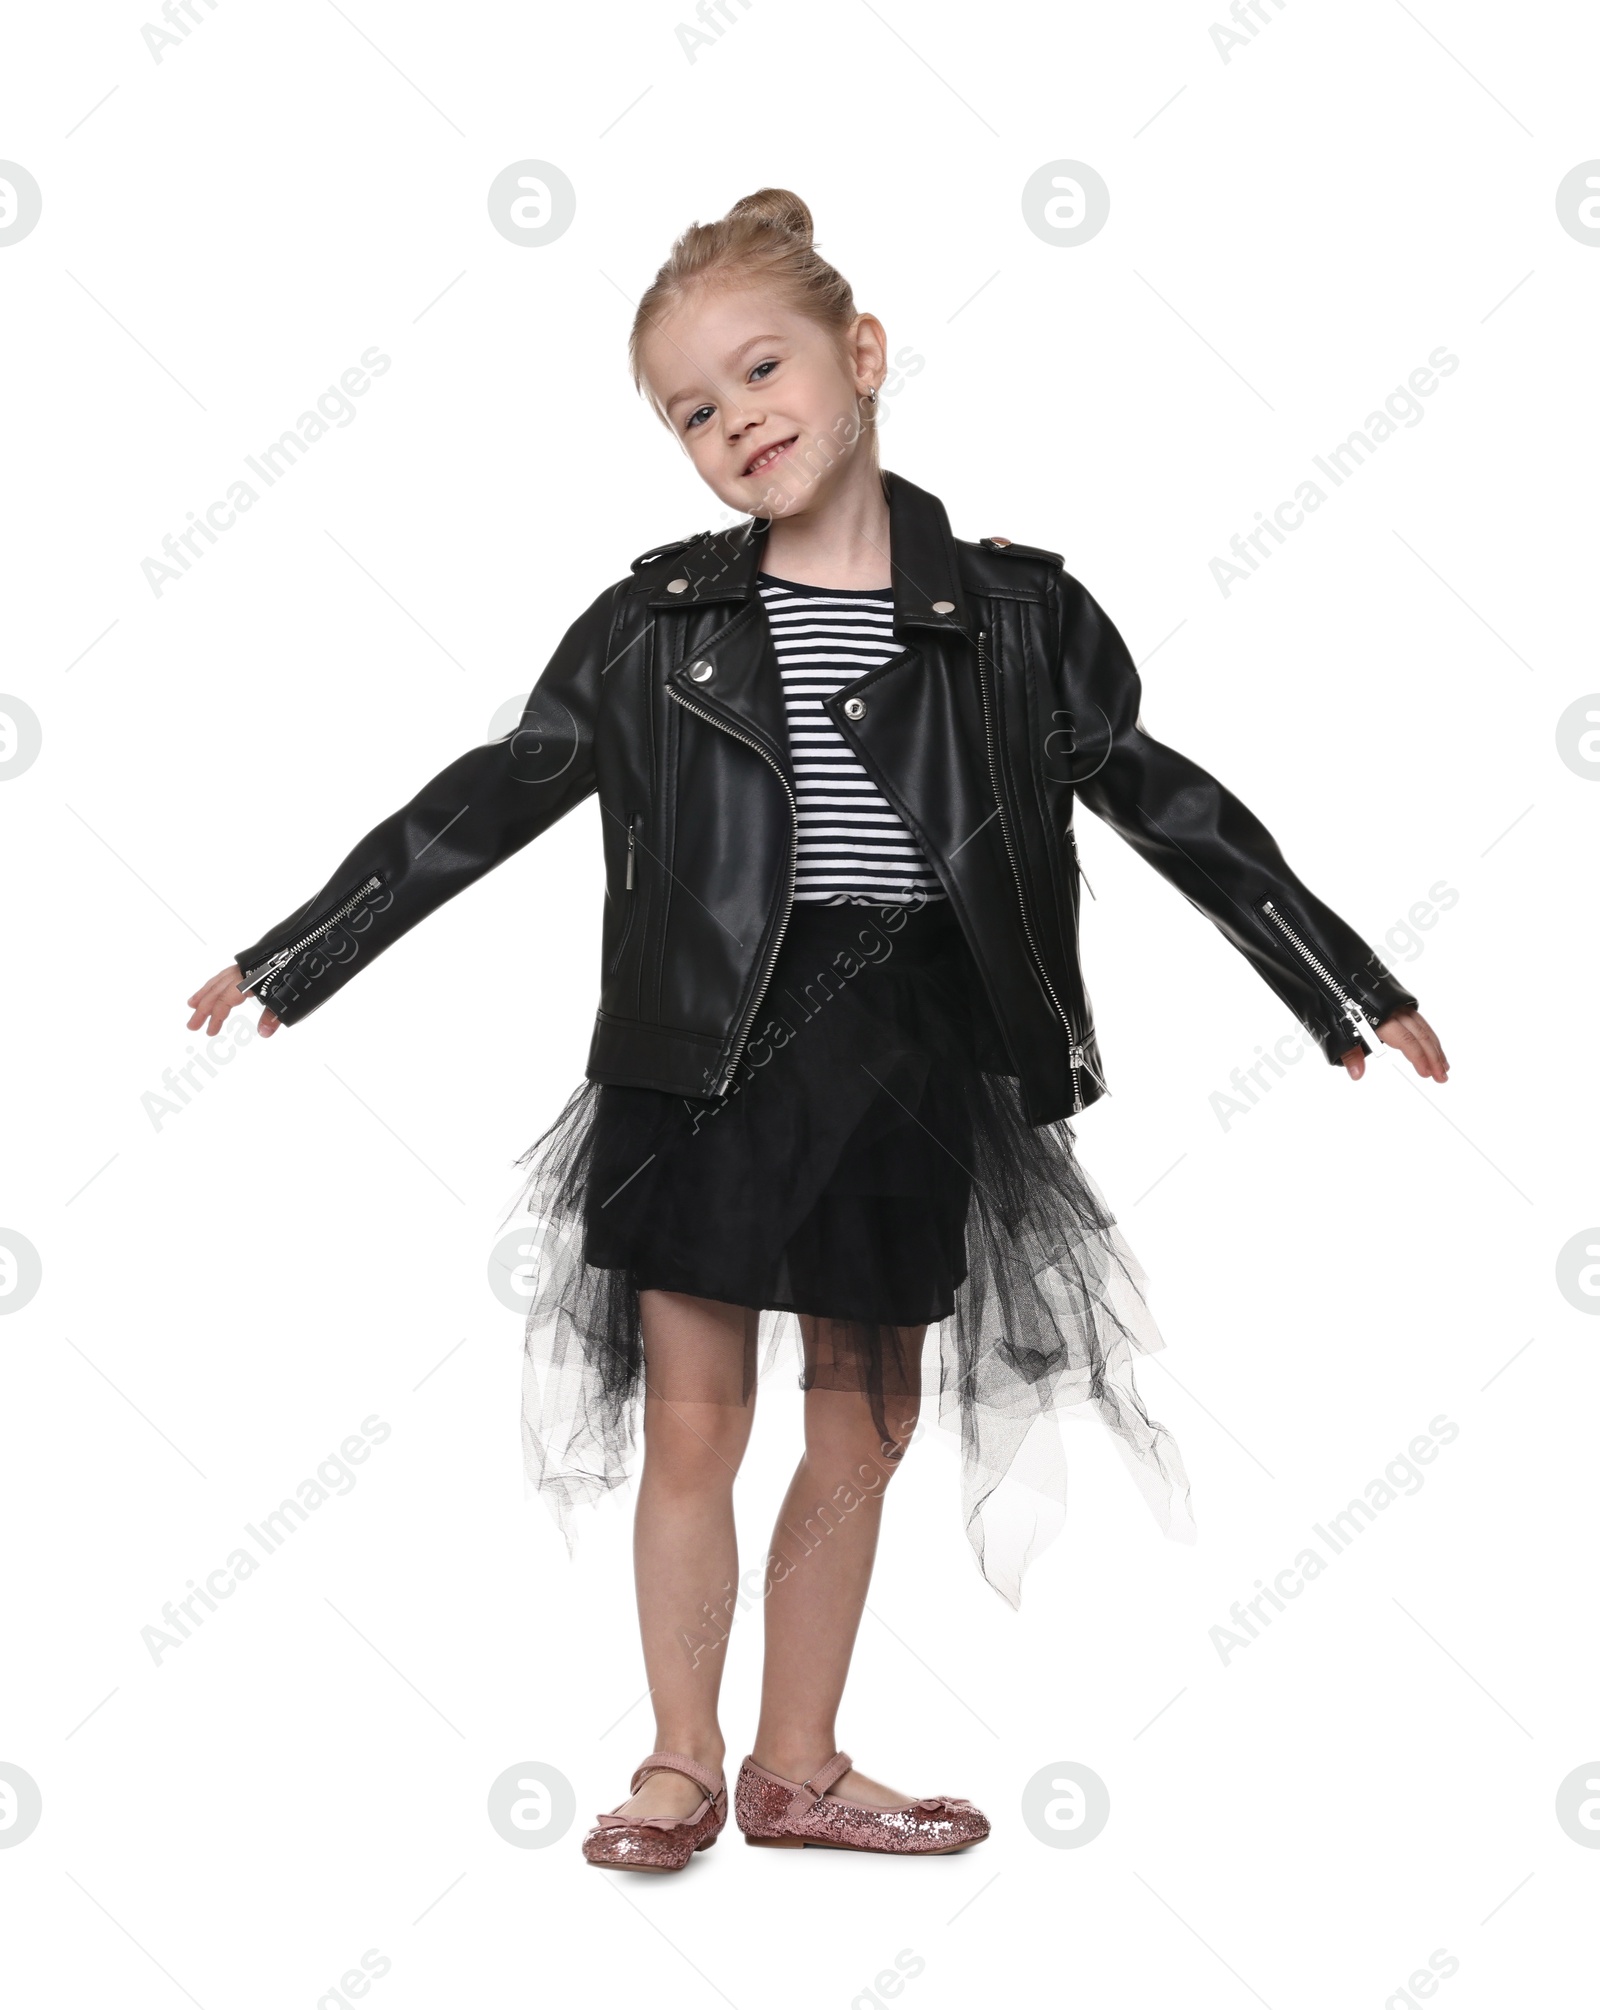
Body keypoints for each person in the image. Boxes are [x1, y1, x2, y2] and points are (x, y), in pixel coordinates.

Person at [187, 187, 1448, 1870]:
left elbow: (1168, 799)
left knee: (865, 1415)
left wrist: (1334, 974)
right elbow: (500, 789)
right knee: (695, 1416)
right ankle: (676, 1762)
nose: (735, 422)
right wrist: (310, 943)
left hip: (915, 1056)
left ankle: (798, 1762)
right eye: (691, 410)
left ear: (860, 356)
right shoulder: (655, 622)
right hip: (700, 1040)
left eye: (760, 369)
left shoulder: (1018, 611)